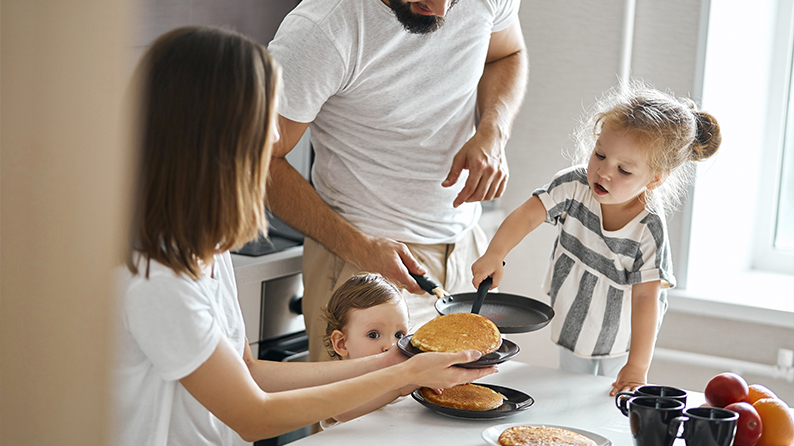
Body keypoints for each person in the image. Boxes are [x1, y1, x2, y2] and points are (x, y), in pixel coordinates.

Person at [115, 26, 496, 446]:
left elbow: (252, 372)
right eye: (263, 118)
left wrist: (394, 362)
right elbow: (252, 416)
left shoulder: (204, 248)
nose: (277, 136)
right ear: (212, 137)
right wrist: (406, 374)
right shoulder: (157, 279)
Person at [266, 0, 529, 362]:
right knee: (358, 419)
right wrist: (361, 248)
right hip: (363, 262)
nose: (439, 8)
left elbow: (506, 53)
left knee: (463, 411)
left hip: (464, 251)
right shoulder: (323, 28)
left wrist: (494, 131)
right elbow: (258, 162)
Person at [471, 81, 722, 396]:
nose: (603, 172)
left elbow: (646, 298)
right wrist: (495, 252)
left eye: (624, 171)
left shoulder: (648, 228)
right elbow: (528, 214)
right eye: (600, 154)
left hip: (622, 337)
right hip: (574, 318)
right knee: (570, 391)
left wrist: (638, 365)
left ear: (655, 178)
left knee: (607, 399)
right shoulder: (575, 186)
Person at [319, 273, 412, 428]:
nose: (392, 345)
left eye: (399, 335)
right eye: (374, 335)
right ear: (342, 344)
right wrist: (404, 386)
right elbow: (343, 411)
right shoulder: (341, 382)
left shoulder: (402, 375)